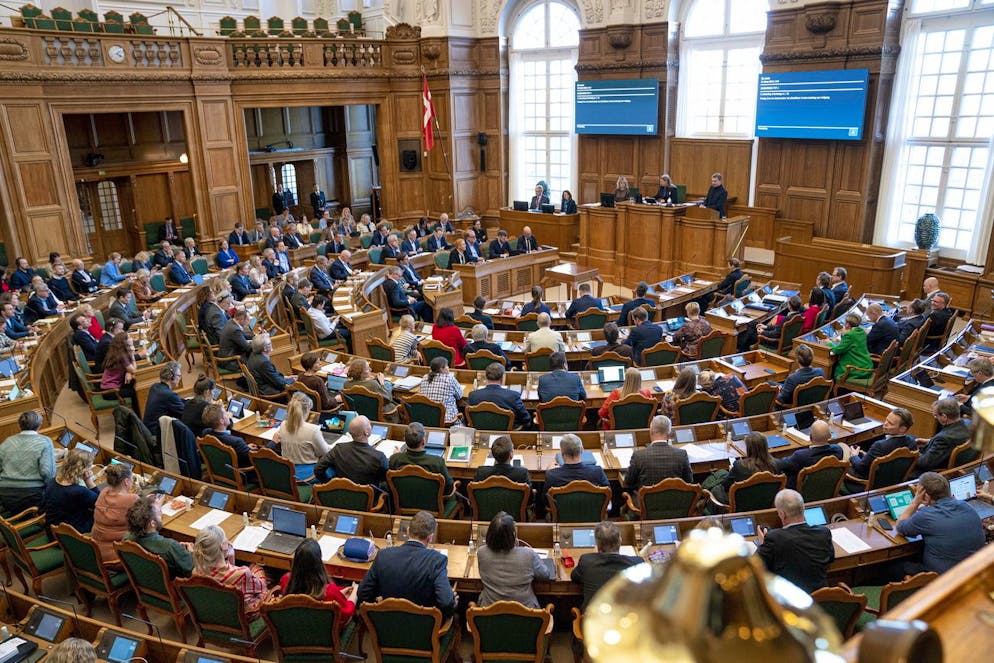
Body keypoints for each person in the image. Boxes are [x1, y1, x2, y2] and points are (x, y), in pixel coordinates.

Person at [357, 511, 456, 616]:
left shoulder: (383, 555)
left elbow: (362, 593)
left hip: (386, 625)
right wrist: (452, 602)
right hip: (424, 628)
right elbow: (446, 603)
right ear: (430, 537)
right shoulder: (437, 560)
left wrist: (380, 604)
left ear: (408, 531)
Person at [894, 472, 985, 575]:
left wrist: (915, 502)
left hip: (942, 579)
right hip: (973, 572)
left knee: (895, 566)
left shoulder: (926, 515)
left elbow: (900, 527)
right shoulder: (967, 506)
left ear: (926, 497)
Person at [756, 489, 834, 593]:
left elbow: (753, 566)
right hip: (821, 601)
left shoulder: (774, 538)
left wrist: (762, 545)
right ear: (803, 509)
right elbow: (830, 558)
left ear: (782, 514)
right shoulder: (823, 532)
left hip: (790, 604)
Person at [477, 511, 553, 608]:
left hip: (489, 614)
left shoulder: (481, 552)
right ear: (513, 535)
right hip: (526, 614)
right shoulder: (528, 554)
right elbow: (545, 575)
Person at [193, 525, 268, 617]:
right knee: (257, 568)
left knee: (252, 571)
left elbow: (227, 576)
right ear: (223, 546)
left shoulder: (196, 572)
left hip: (218, 614)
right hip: (244, 616)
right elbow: (261, 587)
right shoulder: (243, 573)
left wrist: (231, 559)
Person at [279, 539, 356, 625]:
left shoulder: (285, 580)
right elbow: (347, 614)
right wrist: (355, 593)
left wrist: (339, 593)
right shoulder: (329, 592)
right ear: (318, 562)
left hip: (295, 629)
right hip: (325, 635)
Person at [570, 521, 641, 610]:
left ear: (597, 543)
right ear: (620, 540)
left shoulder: (586, 561)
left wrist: (594, 556)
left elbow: (574, 577)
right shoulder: (637, 564)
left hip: (592, 621)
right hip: (623, 621)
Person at [0, 411, 55, 515]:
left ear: (19, 425)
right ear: (39, 425)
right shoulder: (45, 441)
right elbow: (47, 472)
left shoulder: (8, 441)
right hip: (32, 496)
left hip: (5, 495)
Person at [124, 497, 194, 578]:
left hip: (145, 582)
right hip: (173, 587)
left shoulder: (126, 539)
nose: (162, 514)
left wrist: (179, 551)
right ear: (153, 523)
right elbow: (191, 570)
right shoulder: (170, 547)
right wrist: (191, 553)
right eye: (159, 512)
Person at [624, 415, 693, 492]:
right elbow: (689, 481)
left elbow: (628, 482)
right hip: (675, 502)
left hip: (646, 503)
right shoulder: (681, 454)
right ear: (669, 433)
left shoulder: (638, 456)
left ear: (651, 431)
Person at [314, 415, 388, 485]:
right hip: (367, 496)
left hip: (339, 492)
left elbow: (318, 468)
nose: (371, 426)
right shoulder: (379, 457)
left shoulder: (338, 449)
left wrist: (328, 483)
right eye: (369, 425)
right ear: (366, 432)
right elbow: (386, 477)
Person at [275, 392, 331, 481]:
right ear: (306, 411)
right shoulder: (313, 430)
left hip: (288, 470)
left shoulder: (283, 424)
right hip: (309, 474)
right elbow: (323, 452)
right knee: (334, 469)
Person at [712, 432, 781, 504]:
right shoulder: (777, 464)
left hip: (742, 505)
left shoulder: (739, 466)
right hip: (766, 503)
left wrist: (732, 472)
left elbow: (725, 486)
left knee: (716, 489)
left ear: (749, 448)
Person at [848, 407, 916, 480]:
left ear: (902, 429)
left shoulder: (879, 446)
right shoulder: (912, 442)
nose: (885, 424)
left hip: (866, 484)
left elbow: (861, 468)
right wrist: (867, 455)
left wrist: (854, 456)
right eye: (886, 420)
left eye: (890, 423)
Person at [42, 447, 99, 532]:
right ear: (83, 469)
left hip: (52, 529)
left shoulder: (52, 481)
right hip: (69, 535)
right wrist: (88, 480)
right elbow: (100, 503)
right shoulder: (79, 491)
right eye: (90, 466)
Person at [91, 462, 140, 561]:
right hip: (117, 556)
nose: (132, 482)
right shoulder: (132, 499)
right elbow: (150, 515)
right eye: (132, 479)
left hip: (95, 550)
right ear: (126, 481)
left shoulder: (103, 492)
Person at [544, 434, 609, 506]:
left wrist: (549, 471)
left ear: (561, 452)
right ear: (582, 450)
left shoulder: (552, 475)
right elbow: (607, 493)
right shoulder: (597, 472)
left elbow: (546, 500)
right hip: (591, 514)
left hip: (563, 515)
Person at [389, 423, 455, 493]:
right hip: (432, 503)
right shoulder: (437, 462)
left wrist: (397, 455)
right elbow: (449, 488)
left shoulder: (394, 459)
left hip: (402, 503)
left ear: (405, 441)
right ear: (423, 442)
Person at [776, 420, 843, 489]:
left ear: (810, 437)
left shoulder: (801, 456)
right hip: (826, 489)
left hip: (799, 492)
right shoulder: (838, 450)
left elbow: (779, 464)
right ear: (830, 435)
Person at [913, 397, 971, 475]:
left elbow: (925, 464)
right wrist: (930, 441)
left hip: (933, 473)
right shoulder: (970, 424)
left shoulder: (943, 438)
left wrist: (914, 451)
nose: (935, 418)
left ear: (944, 417)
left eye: (936, 416)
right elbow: (953, 442)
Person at [467, 362, 532, 429]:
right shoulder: (513, 396)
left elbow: (469, 418)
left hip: (481, 431)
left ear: (486, 376)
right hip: (507, 434)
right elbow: (526, 418)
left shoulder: (473, 395)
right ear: (503, 377)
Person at [101, 333, 141, 413]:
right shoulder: (121, 355)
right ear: (124, 342)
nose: (131, 338)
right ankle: (138, 415)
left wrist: (127, 372)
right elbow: (134, 370)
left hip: (114, 386)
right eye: (129, 337)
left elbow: (129, 369)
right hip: (110, 391)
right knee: (136, 391)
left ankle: (138, 412)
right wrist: (132, 355)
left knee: (134, 383)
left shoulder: (118, 352)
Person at [829, 312, 873, 381]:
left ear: (847, 324)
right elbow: (850, 344)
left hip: (856, 370)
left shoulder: (850, 335)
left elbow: (835, 351)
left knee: (833, 368)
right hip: (866, 366)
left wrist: (829, 343)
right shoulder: (861, 331)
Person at [417, 357, 462, 423]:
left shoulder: (425, 377)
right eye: (447, 366)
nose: (448, 368)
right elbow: (459, 396)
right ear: (441, 369)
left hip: (428, 418)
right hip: (447, 420)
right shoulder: (450, 379)